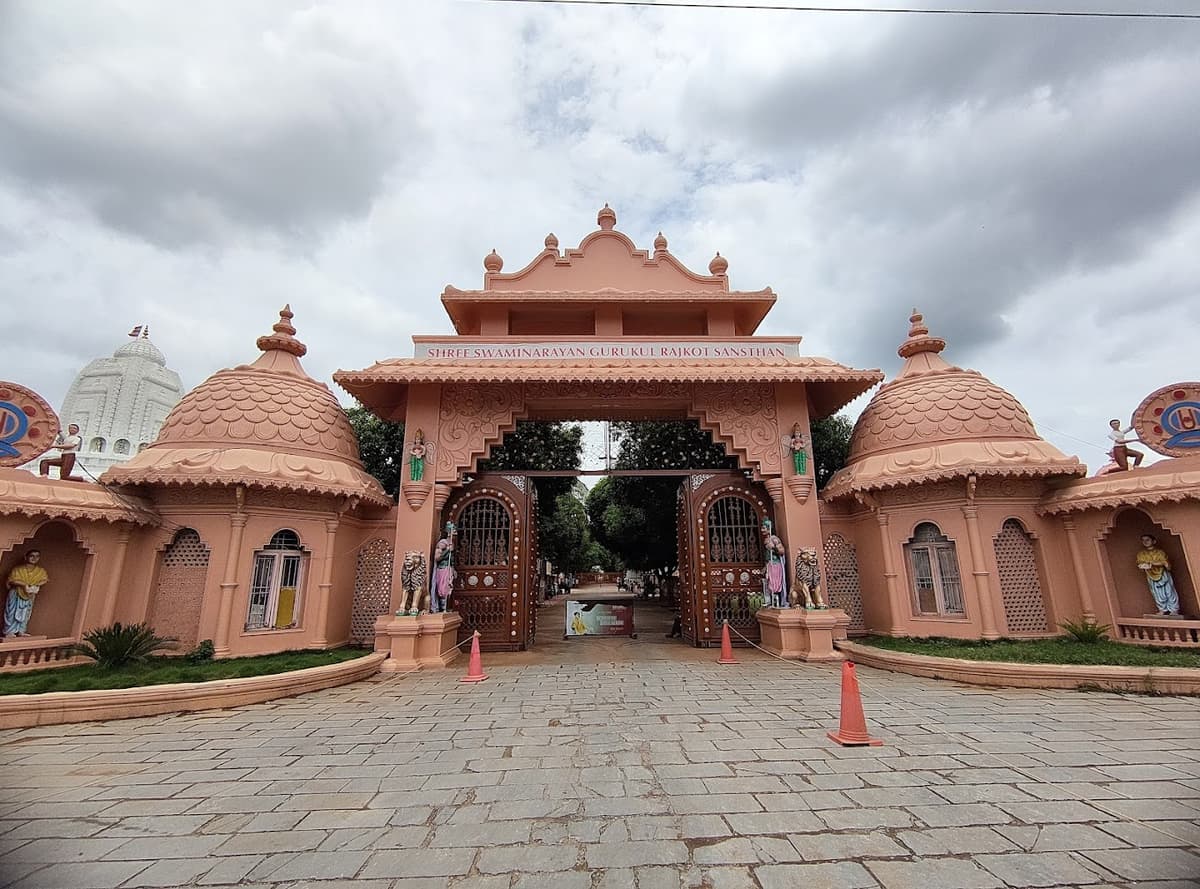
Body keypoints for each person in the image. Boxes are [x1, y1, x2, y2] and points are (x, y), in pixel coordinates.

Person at [4, 550, 48, 637]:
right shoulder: (17, 569)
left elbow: (44, 580)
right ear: (26, 557)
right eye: (32, 556)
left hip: (30, 594)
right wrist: (23, 585)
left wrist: (35, 585)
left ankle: (21, 630)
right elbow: (12, 580)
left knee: (26, 612)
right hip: (16, 593)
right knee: (11, 612)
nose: (34, 558)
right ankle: (9, 631)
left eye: (37, 556)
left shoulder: (40, 571)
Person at [1136, 534, 1180, 616]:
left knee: (1169, 591)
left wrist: (1152, 564)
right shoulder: (1141, 554)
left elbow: (1165, 563)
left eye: (1147, 540)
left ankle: (1174, 609)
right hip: (1151, 575)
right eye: (1143, 540)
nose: (1145, 542)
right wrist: (1143, 566)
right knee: (1157, 593)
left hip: (1163, 574)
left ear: (1154, 541)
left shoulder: (1160, 552)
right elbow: (1140, 564)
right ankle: (1162, 609)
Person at [761, 519, 788, 608]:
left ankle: (778, 602)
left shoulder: (774, 539)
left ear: (769, 528)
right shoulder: (766, 540)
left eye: (764, 528)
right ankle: (770, 601)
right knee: (769, 582)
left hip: (776, 564)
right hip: (770, 564)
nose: (762, 530)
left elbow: (782, 551)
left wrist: (774, 548)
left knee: (775, 583)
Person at [430, 522, 456, 613]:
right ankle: (441, 608)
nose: (454, 533)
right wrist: (447, 551)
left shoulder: (452, 543)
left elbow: (452, 559)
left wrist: (453, 569)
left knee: (448, 587)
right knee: (442, 588)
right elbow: (437, 558)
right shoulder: (443, 543)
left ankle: (445, 607)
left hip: (448, 568)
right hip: (442, 568)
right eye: (453, 530)